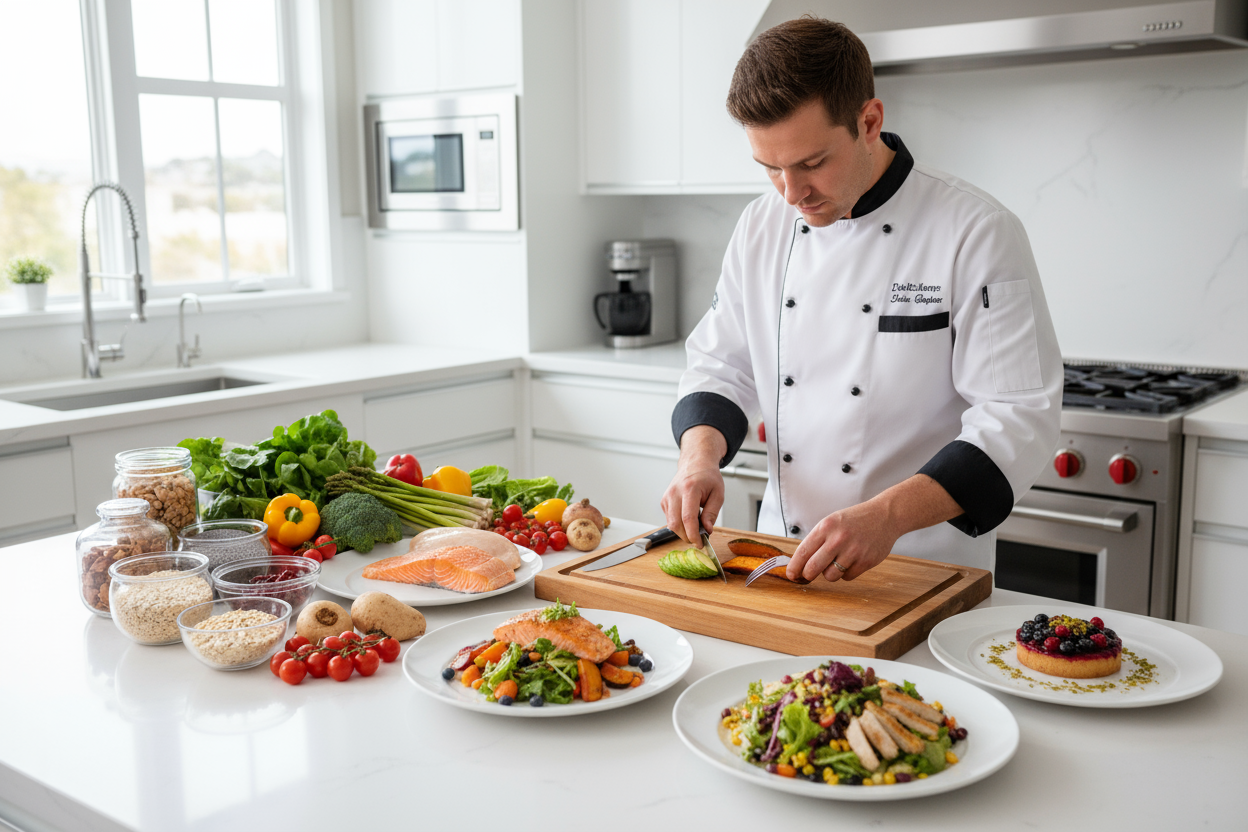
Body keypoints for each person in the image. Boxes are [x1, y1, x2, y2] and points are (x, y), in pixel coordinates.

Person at [661, 17, 1062, 584]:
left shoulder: (976, 230)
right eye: (771, 168)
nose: (792, 193)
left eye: (812, 163)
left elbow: (1018, 418)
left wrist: (888, 516)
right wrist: (697, 458)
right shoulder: (760, 225)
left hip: (923, 569)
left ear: (869, 121)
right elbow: (723, 363)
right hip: (781, 559)